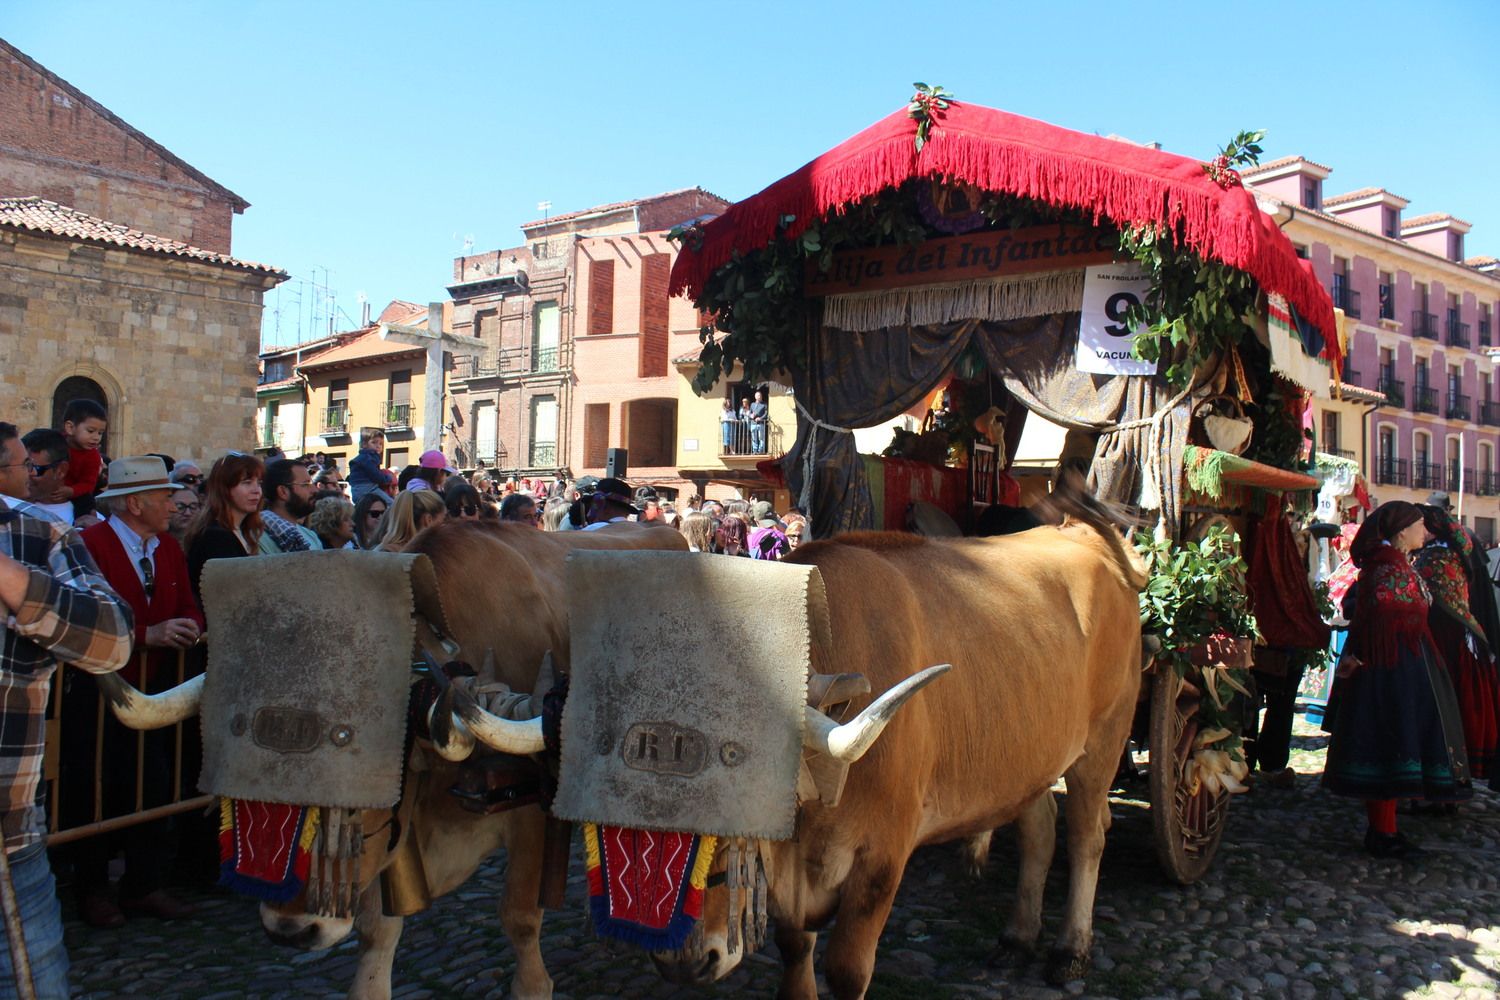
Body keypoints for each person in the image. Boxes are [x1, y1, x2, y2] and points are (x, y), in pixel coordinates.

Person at [0, 421, 133, 995]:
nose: (28, 477)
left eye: (29, 468)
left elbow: (112, 640)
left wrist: (10, 581)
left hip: (8, 834)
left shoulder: (38, 536)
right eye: (21, 468)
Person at [70, 456, 203, 927]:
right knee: (94, 788)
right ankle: (91, 890)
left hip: (159, 688)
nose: (173, 504)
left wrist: (187, 629)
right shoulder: (88, 544)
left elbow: (189, 605)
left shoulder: (167, 547)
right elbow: (85, 616)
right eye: (164, 496)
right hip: (98, 691)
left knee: (154, 784)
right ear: (134, 502)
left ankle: (143, 885)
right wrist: (148, 635)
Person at [1323, 500, 1472, 859]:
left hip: (1406, 663)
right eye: (1420, 525)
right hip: (1389, 668)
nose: (1425, 531)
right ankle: (1383, 833)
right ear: (1402, 531)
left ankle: (1386, 830)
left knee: (1396, 744)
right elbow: (1374, 614)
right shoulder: (1387, 567)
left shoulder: (1398, 565)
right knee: (1389, 744)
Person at [1412, 506, 1500, 786]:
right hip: (1458, 638)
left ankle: (1442, 778)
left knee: (1443, 710)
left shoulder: (1435, 557)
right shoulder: (1450, 552)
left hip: (1445, 642)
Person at [185, 453, 264, 607]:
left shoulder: (242, 531)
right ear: (224, 489)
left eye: (259, 483)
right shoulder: (214, 537)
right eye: (246, 482)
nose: (256, 491)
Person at [58, 398, 108, 517]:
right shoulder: (55, 443)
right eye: (91, 431)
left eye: (100, 433)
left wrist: (71, 491)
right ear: (70, 428)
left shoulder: (93, 456)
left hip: (77, 496)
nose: (96, 437)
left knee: (87, 503)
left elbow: (88, 484)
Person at [258, 458, 321, 554]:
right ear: (283, 492)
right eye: (305, 484)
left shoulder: (311, 536)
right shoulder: (257, 539)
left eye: (311, 483)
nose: (315, 490)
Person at [20, 428, 73, 525]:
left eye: (33, 467)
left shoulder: (88, 520)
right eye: (21, 467)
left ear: (61, 470)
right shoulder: (7, 510)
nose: (25, 474)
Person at [376, 490, 446, 551]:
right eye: (444, 520)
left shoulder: (381, 551)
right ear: (428, 520)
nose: (445, 526)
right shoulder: (422, 558)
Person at [347, 427, 389, 503]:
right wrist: (387, 478)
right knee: (390, 504)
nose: (378, 446)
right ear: (364, 444)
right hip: (367, 488)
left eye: (380, 444)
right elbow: (375, 474)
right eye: (374, 442)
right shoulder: (368, 458)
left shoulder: (364, 457)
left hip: (356, 489)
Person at [749, 389, 768, 454]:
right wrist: (751, 415)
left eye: (759, 395)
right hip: (753, 423)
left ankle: (760, 450)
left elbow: (766, 413)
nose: (759, 397)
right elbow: (750, 412)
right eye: (757, 396)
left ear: (761, 396)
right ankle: (755, 450)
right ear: (755, 397)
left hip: (761, 423)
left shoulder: (764, 404)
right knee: (754, 438)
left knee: (761, 438)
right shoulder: (752, 404)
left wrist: (760, 418)